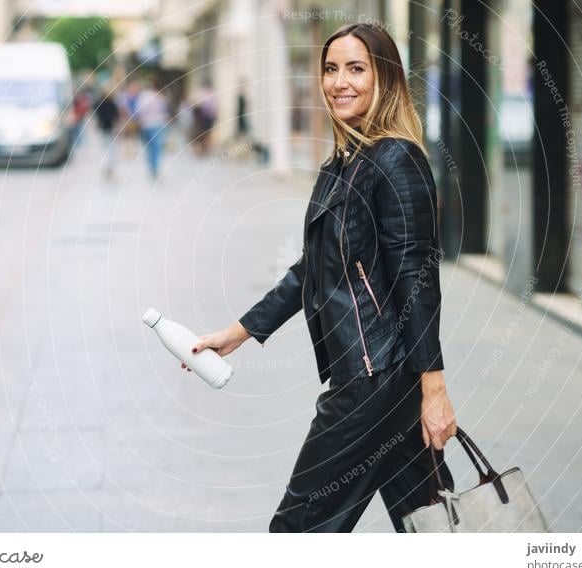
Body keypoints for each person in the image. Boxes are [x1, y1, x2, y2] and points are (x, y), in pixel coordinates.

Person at [186, 22, 458, 533]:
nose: (339, 82)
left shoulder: (397, 160)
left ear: (387, 79)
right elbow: (313, 266)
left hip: (372, 381)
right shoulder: (345, 161)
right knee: (431, 527)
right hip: (378, 377)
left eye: (357, 69)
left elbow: (417, 280)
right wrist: (239, 332)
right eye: (331, 69)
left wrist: (435, 388)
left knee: (297, 531)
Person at [134, 76, 170, 180]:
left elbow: (139, 111)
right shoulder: (159, 96)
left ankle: (151, 167)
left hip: (146, 125)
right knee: (156, 148)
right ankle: (155, 168)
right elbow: (165, 111)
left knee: (149, 148)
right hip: (158, 124)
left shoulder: (143, 96)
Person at [94, 88, 120, 178]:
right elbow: (116, 115)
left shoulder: (99, 103)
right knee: (111, 147)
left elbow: (96, 115)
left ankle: (107, 164)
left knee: (104, 147)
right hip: (110, 127)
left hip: (103, 127)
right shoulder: (112, 103)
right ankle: (110, 165)